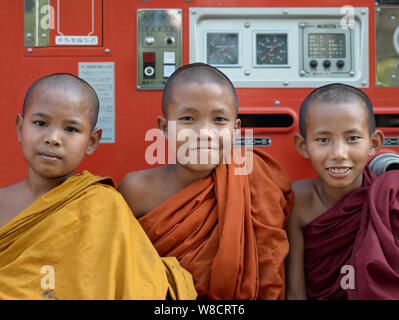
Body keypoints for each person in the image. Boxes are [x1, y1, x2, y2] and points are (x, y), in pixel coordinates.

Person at [0, 73, 196, 300]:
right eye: (40, 123)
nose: (53, 138)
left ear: (92, 141)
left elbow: (141, 285)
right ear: (20, 127)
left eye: (71, 129)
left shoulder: (103, 205)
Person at [118, 63, 293, 299]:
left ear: (236, 128)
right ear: (164, 127)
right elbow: (122, 271)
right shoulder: (136, 190)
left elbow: (271, 266)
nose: (204, 132)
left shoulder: (255, 179)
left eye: (219, 120)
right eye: (188, 118)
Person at [286, 83, 399, 300]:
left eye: (352, 138)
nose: (338, 153)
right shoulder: (299, 200)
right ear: (303, 146)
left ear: (374, 143)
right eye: (323, 140)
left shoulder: (388, 197)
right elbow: (295, 292)